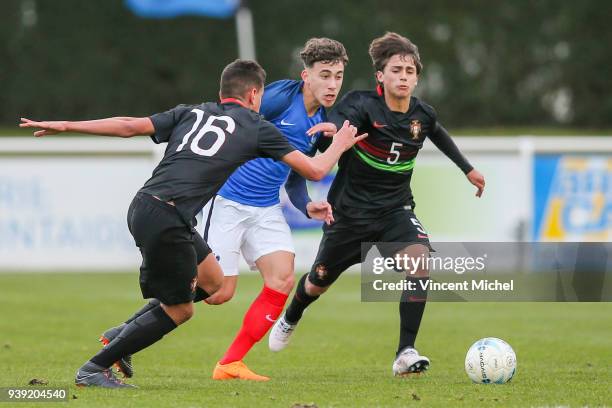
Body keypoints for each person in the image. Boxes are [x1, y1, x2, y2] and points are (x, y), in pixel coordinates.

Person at [19, 59, 366, 388]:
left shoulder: (191, 111)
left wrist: (66, 125)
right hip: (166, 218)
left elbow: (129, 126)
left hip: (148, 206)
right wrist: (339, 144)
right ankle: (94, 368)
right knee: (182, 309)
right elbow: (317, 169)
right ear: (254, 95)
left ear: (222, 92)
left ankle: (120, 334)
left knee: (214, 283)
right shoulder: (256, 127)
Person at [268, 32, 486, 377]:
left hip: (394, 212)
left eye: (410, 71)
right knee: (316, 283)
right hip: (348, 215)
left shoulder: (422, 115)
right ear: (380, 76)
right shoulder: (362, 104)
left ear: (416, 77)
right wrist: (334, 129)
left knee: (419, 260)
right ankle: (292, 315)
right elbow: (342, 120)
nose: (403, 76)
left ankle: (405, 351)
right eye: (396, 69)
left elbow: (438, 133)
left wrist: (468, 169)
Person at [199, 38, 348, 381]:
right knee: (217, 293)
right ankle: (132, 330)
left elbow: (294, 176)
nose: (332, 84)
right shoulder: (281, 97)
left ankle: (230, 364)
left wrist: (307, 204)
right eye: (324, 75)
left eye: (338, 76)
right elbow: (229, 123)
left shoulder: (322, 121)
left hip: (266, 207)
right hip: (228, 201)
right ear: (305, 75)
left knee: (282, 278)